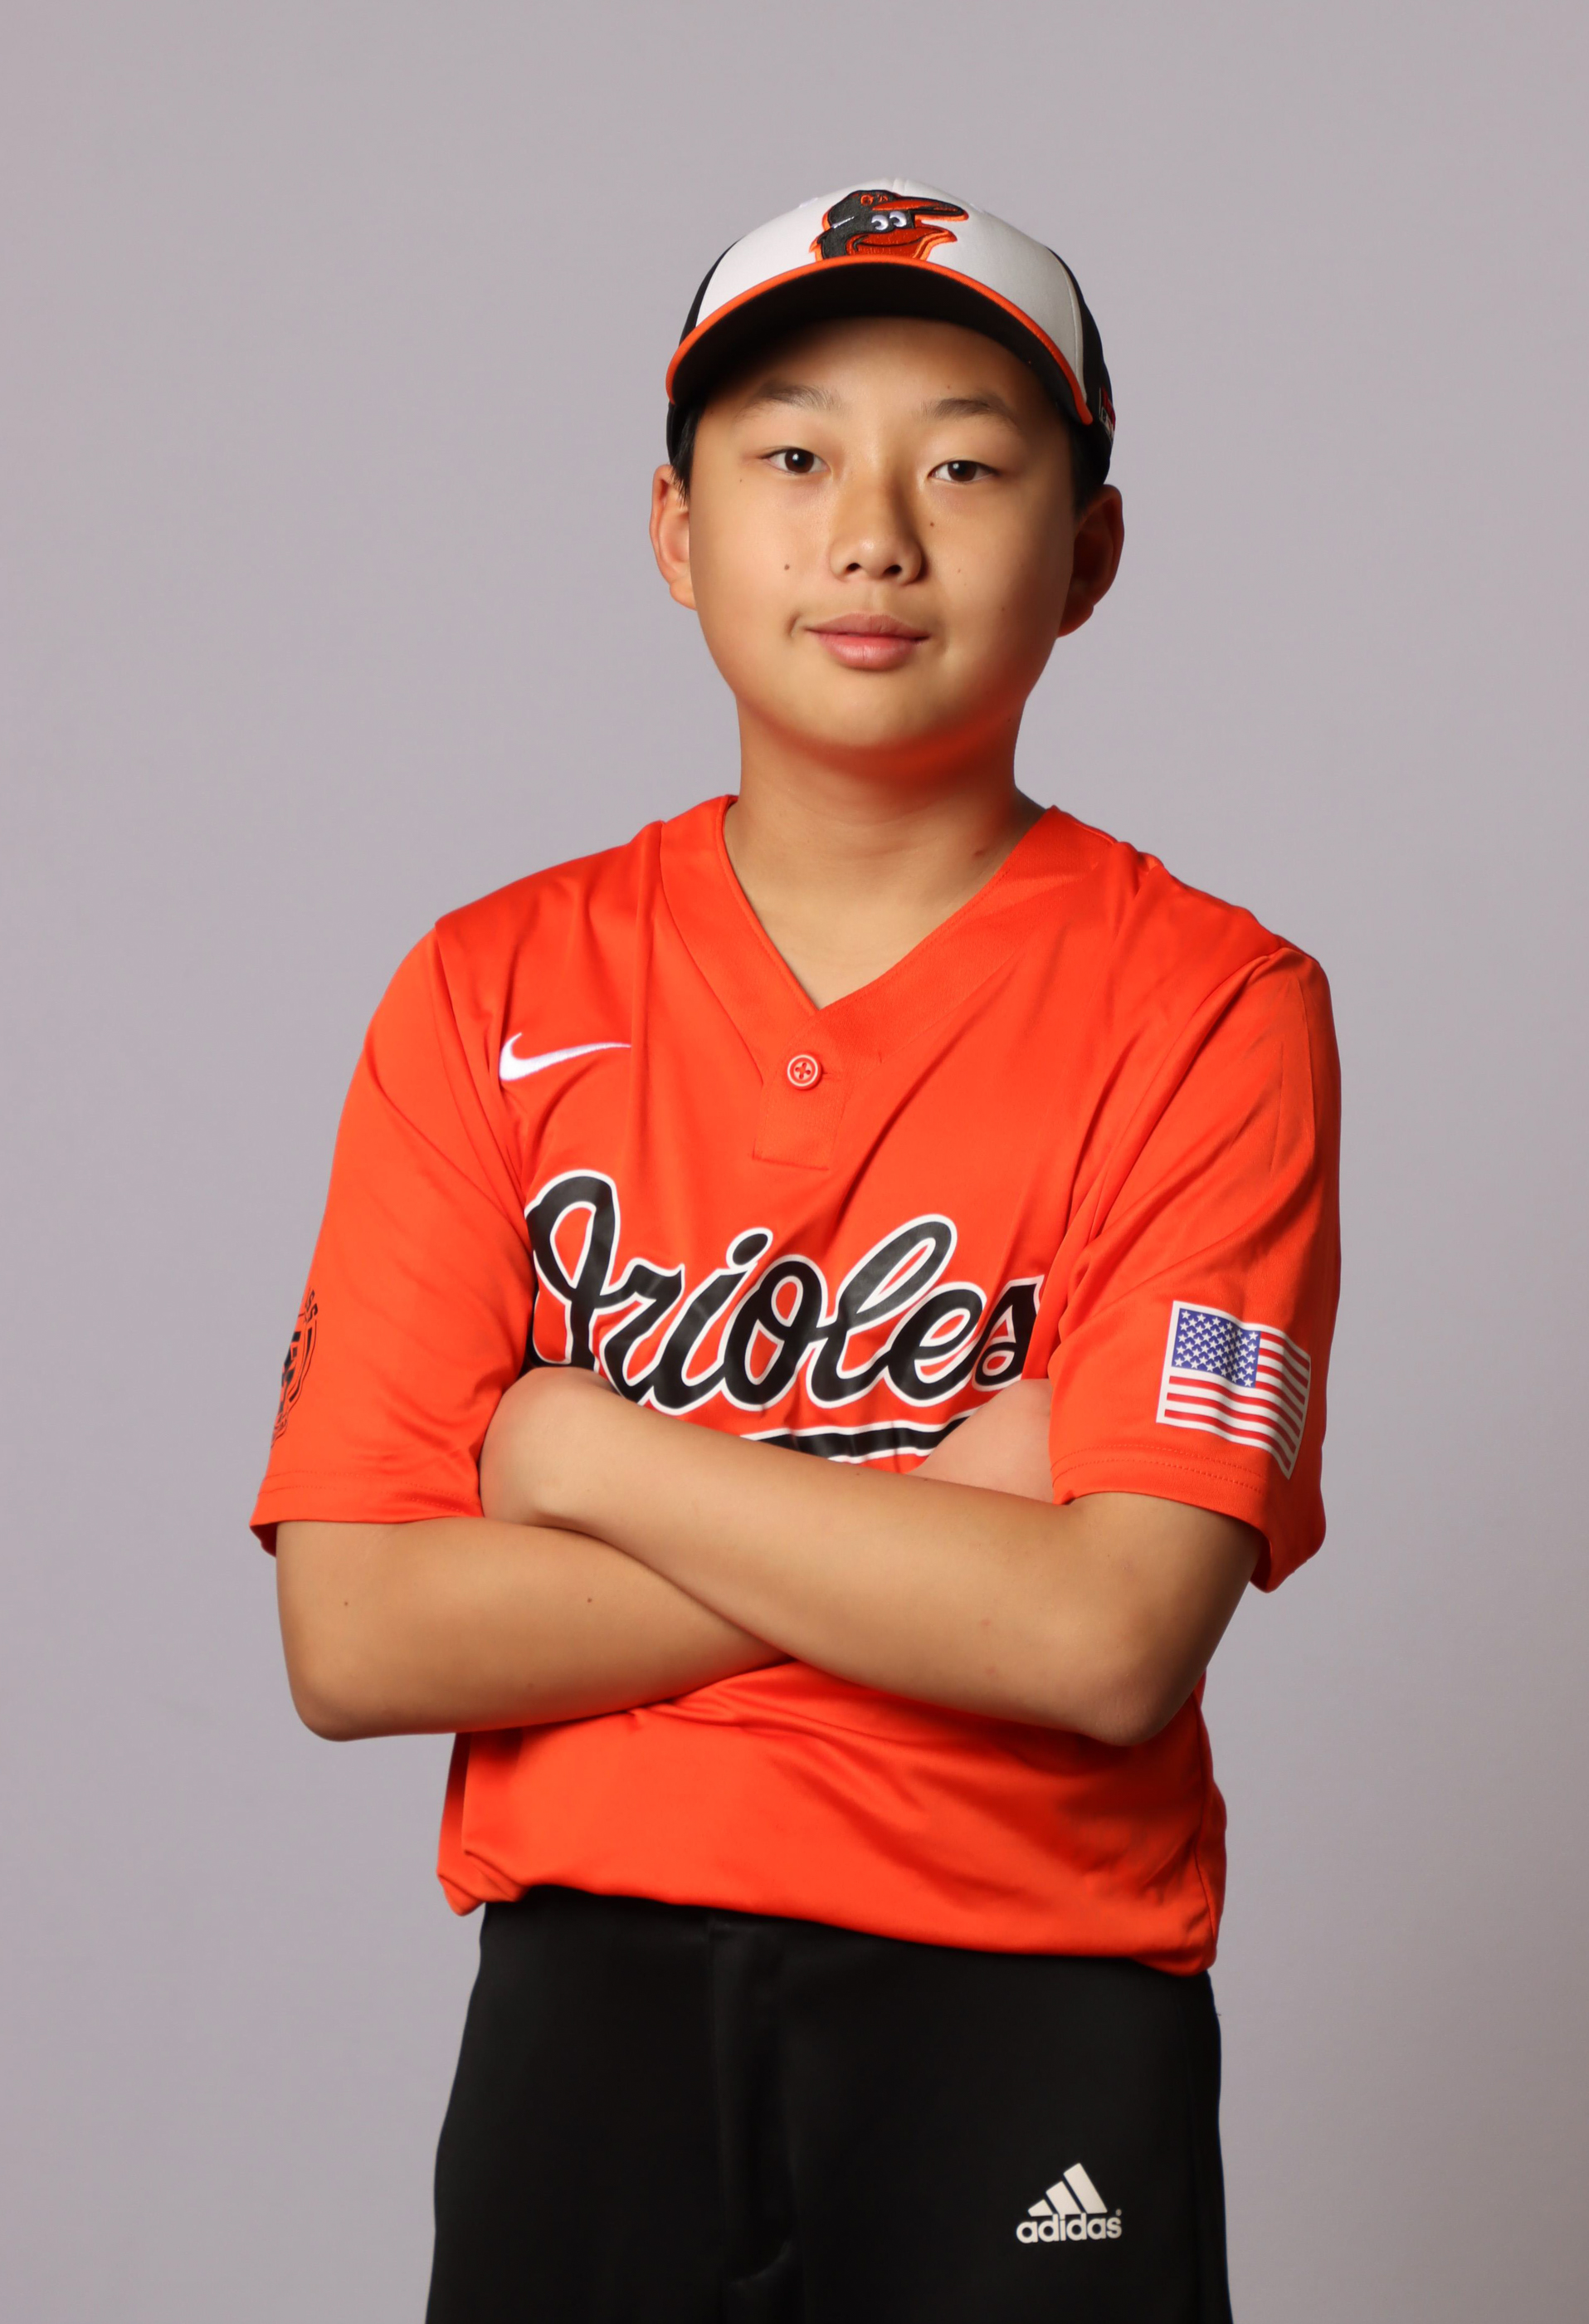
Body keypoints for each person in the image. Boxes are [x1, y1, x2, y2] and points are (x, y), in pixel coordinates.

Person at [255, 180, 1341, 2323]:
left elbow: (1108, 1637)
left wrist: (585, 1454)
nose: (873, 535)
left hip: (1031, 1995)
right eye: (791, 456)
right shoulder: (489, 988)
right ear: (677, 533)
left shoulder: (1212, 1006)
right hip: (590, 2009)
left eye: (966, 466)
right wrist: (937, 1519)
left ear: (1090, 554)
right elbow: (359, 1635)